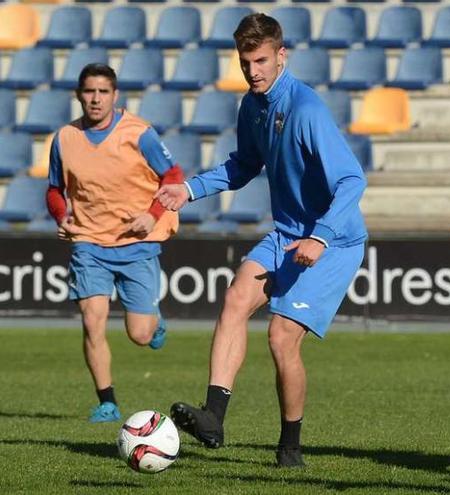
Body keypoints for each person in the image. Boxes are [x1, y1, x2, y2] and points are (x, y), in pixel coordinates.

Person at [154, 13, 367, 468]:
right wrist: (188, 190)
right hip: (288, 233)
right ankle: (213, 415)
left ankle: (290, 447)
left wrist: (322, 237)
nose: (253, 70)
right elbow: (242, 165)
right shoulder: (251, 106)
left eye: (262, 60)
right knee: (235, 298)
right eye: (246, 61)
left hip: (335, 241)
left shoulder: (306, 109)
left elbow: (352, 179)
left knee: (281, 337)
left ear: (281, 55)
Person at [46, 63, 182, 423]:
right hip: (89, 241)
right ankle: (107, 402)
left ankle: (155, 320)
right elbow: (54, 189)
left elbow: (173, 175)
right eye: (89, 91)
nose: (95, 98)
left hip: (136, 241)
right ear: (79, 95)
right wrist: (62, 217)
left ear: (115, 95)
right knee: (93, 321)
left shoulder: (139, 133)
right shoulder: (64, 138)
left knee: (140, 335)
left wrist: (153, 214)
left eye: (103, 91)